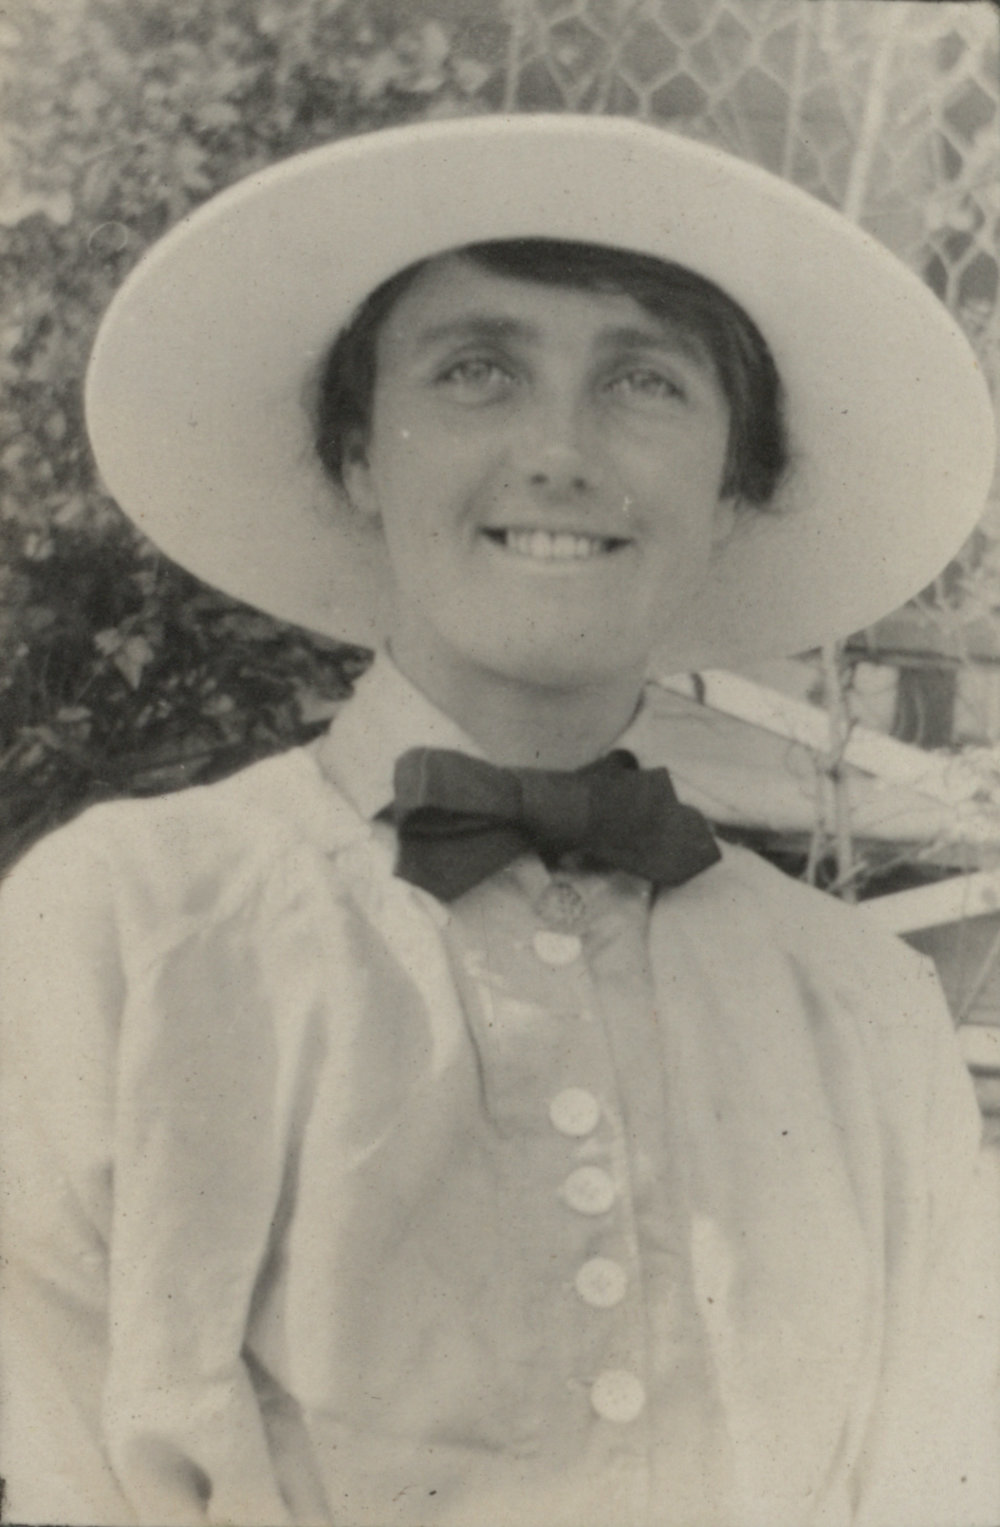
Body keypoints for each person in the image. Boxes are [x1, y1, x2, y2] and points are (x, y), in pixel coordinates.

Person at [0, 114, 997, 1527]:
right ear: (355, 457)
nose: (558, 452)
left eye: (646, 381)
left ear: (735, 491)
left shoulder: (865, 1016)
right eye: (476, 372)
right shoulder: (123, 930)